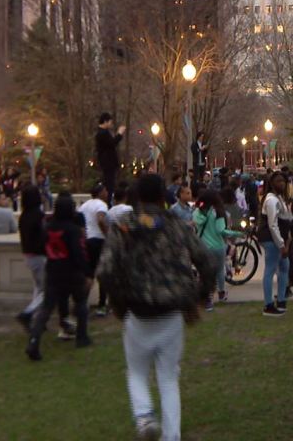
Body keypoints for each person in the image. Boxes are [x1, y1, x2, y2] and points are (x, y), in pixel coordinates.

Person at [97, 173, 215, 441]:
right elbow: (206, 261)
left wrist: (119, 301)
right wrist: (199, 295)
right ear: (164, 196)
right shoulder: (176, 225)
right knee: (169, 377)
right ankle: (171, 436)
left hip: (137, 311)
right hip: (172, 310)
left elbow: (105, 270)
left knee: (137, 372)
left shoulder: (124, 225)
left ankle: (145, 417)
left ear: (137, 196)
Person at [25, 194, 91, 360]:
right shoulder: (73, 229)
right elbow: (79, 252)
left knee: (47, 307)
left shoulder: (47, 227)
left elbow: (41, 246)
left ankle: (34, 340)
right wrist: (86, 271)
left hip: (53, 270)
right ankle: (82, 337)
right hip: (72, 271)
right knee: (80, 302)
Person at [193, 189, 243, 310]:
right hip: (218, 247)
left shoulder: (197, 212)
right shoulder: (218, 212)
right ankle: (221, 293)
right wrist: (237, 233)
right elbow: (221, 231)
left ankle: (208, 299)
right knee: (220, 271)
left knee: (204, 273)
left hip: (202, 247)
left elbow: (196, 225)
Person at [259, 172, 293, 316]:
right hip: (272, 239)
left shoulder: (280, 198)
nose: (282, 183)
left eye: (283, 181)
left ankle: (281, 300)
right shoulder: (271, 200)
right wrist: (281, 244)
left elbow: (287, 219)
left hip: (280, 239)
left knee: (284, 267)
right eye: (278, 181)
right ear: (272, 183)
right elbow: (272, 224)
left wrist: (287, 240)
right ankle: (268, 305)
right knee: (270, 269)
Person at [16, 185, 47, 329]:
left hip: (28, 255)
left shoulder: (23, 216)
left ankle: (37, 318)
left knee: (38, 288)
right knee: (47, 290)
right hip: (39, 256)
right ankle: (28, 313)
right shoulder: (38, 215)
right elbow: (43, 236)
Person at [78, 183, 110, 316]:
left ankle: (81, 302)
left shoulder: (84, 206)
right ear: (100, 192)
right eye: (105, 191)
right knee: (102, 273)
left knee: (89, 274)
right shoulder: (101, 205)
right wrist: (107, 234)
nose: (107, 193)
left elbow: (79, 222)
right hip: (98, 240)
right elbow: (100, 219)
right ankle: (102, 305)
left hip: (87, 240)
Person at [95, 113, 126, 204]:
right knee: (109, 184)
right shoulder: (102, 133)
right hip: (108, 163)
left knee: (110, 183)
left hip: (107, 162)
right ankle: (108, 203)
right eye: (110, 122)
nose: (111, 124)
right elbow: (112, 143)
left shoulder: (103, 132)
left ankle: (109, 201)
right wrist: (119, 134)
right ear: (105, 121)